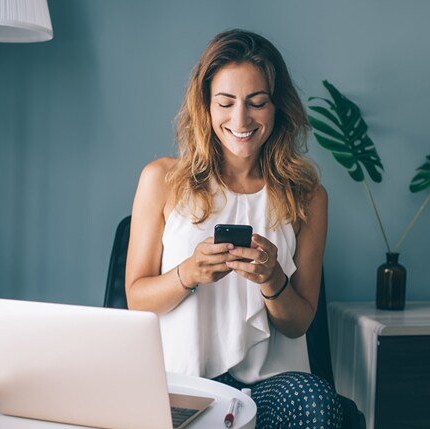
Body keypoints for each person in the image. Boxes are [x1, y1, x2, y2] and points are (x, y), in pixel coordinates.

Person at [126, 29, 343, 428]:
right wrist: (187, 274)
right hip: (182, 380)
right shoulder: (161, 179)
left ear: (277, 108)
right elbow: (136, 299)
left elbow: (298, 324)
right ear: (206, 107)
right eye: (225, 103)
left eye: (257, 103)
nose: (240, 119)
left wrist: (274, 279)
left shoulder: (308, 197)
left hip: (267, 386)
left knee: (317, 400)